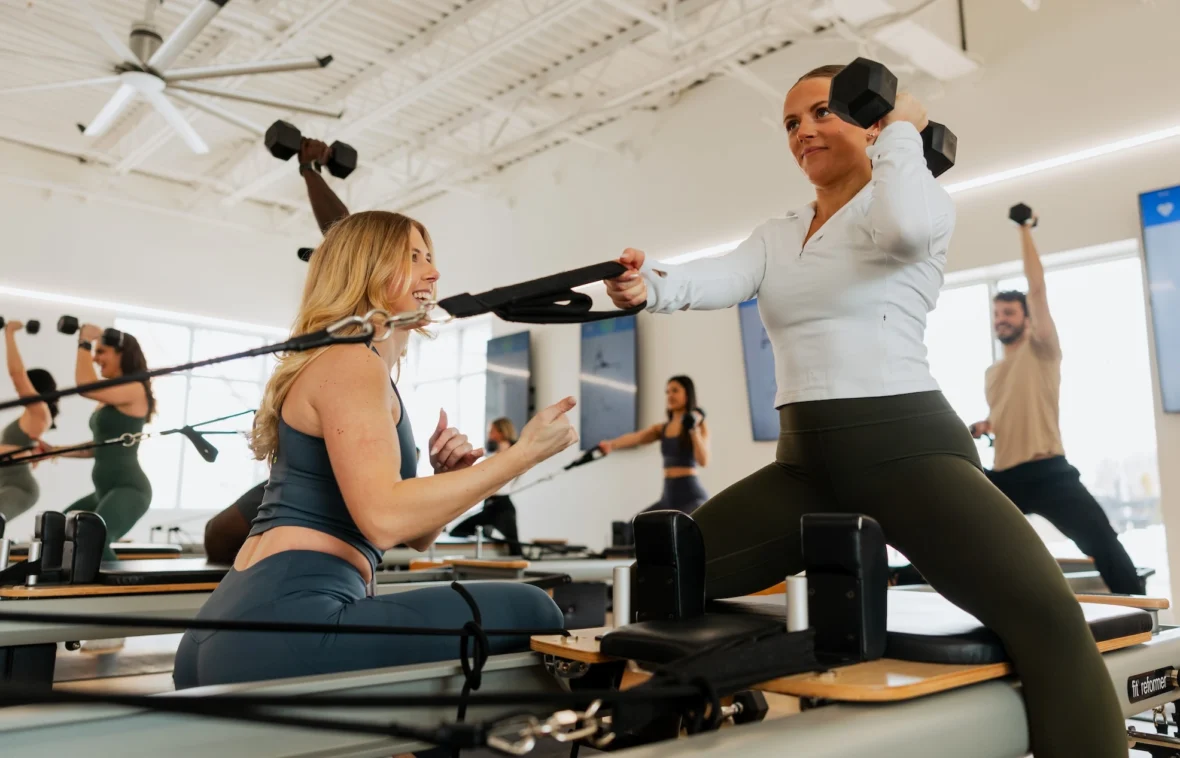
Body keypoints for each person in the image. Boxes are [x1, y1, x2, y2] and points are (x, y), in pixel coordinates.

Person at [602, 64, 1126, 757]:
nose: (804, 131)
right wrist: (646, 285)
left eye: (822, 112)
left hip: (909, 454)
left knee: (1050, 620)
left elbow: (904, 229)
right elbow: (713, 278)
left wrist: (901, 128)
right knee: (667, 576)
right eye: (791, 123)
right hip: (804, 469)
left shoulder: (916, 201)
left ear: (868, 119)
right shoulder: (779, 233)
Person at [173, 211, 575, 690]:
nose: (434, 272)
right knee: (531, 608)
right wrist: (523, 454)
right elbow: (384, 520)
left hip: (238, 627)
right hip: (286, 623)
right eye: (413, 257)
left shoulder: (354, 365)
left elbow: (417, 536)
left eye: (431, 257)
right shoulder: (351, 361)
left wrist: (444, 477)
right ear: (367, 270)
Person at [968, 213, 1144, 595]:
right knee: (968, 542)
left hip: (1049, 473)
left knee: (1102, 542)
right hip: (1005, 479)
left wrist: (1024, 231)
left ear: (1029, 321)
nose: (1001, 320)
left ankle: (1144, 617)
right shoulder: (992, 373)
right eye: (997, 314)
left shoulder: (1042, 352)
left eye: (1009, 313)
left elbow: (1037, 289)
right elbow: (1007, 415)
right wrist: (987, 425)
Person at [41, 325, 154, 562]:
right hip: (104, 491)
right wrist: (55, 451)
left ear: (122, 353)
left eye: (101, 351)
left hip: (130, 489)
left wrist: (84, 341)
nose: (95, 358)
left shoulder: (134, 389)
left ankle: (118, 598)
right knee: (57, 530)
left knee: (95, 540)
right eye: (95, 351)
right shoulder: (111, 398)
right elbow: (99, 446)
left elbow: (85, 387)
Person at [597, 375, 710, 515]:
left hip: (691, 497)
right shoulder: (662, 429)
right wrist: (611, 444)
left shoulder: (699, 426)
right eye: (667, 392)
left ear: (687, 393)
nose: (670, 396)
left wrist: (693, 429)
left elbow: (703, 460)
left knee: (679, 533)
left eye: (675, 391)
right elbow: (637, 438)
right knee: (635, 527)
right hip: (669, 496)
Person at [0, 320, 58, 521]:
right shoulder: (29, 416)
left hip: (19, 487)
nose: (19, 392)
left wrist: (10, 333)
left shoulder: (39, 412)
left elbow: (17, 375)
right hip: (5, 483)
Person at [450, 417, 523, 553]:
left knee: (515, 548)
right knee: (458, 532)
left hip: (502, 506)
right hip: (489, 505)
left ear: (501, 433)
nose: (489, 435)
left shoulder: (513, 453)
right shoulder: (495, 455)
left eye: (492, 431)